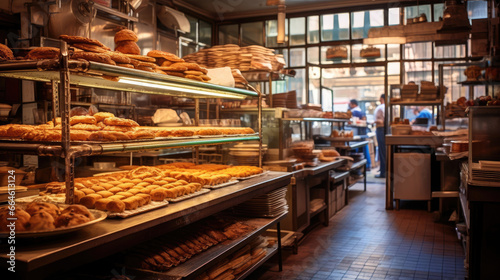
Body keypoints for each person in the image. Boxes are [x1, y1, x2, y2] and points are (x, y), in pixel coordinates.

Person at [348, 99, 371, 171]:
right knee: (364, 147)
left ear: (353, 104)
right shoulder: (361, 111)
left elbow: (351, 122)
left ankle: (357, 168)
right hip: (363, 132)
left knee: (356, 148)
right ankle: (367, 165)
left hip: (357, 133)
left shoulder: (354, 112)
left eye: (350, 104)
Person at [374, 94, 386, 178]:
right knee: (385, 152)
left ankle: (383, 172)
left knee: (382, 152)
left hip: (381, 129)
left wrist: (373, 121)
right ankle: (384, 170)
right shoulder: (389, 107)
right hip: (386, 130)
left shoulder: (380, 107)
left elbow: (381, 121)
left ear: (381, 98)